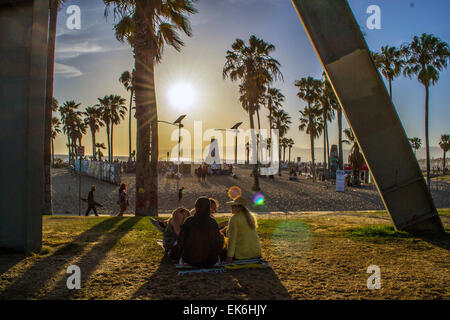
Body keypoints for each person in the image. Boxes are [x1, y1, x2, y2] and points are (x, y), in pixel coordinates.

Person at [175, 197, 226, 267]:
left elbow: (181, 241)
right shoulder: (212, 222)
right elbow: (217, 243)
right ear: (208, 208)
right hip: (210, 261)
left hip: (190, 260)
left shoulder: (189, 221)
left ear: (196, 207)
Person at [225, 197, 261, 263]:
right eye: (232, 206)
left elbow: (232, 239)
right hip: (256, 253)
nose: (232, 208)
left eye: (234, 206)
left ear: (240, 207)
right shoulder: (250, 217)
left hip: (242, 255)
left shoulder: (234, 219)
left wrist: (229, 256)